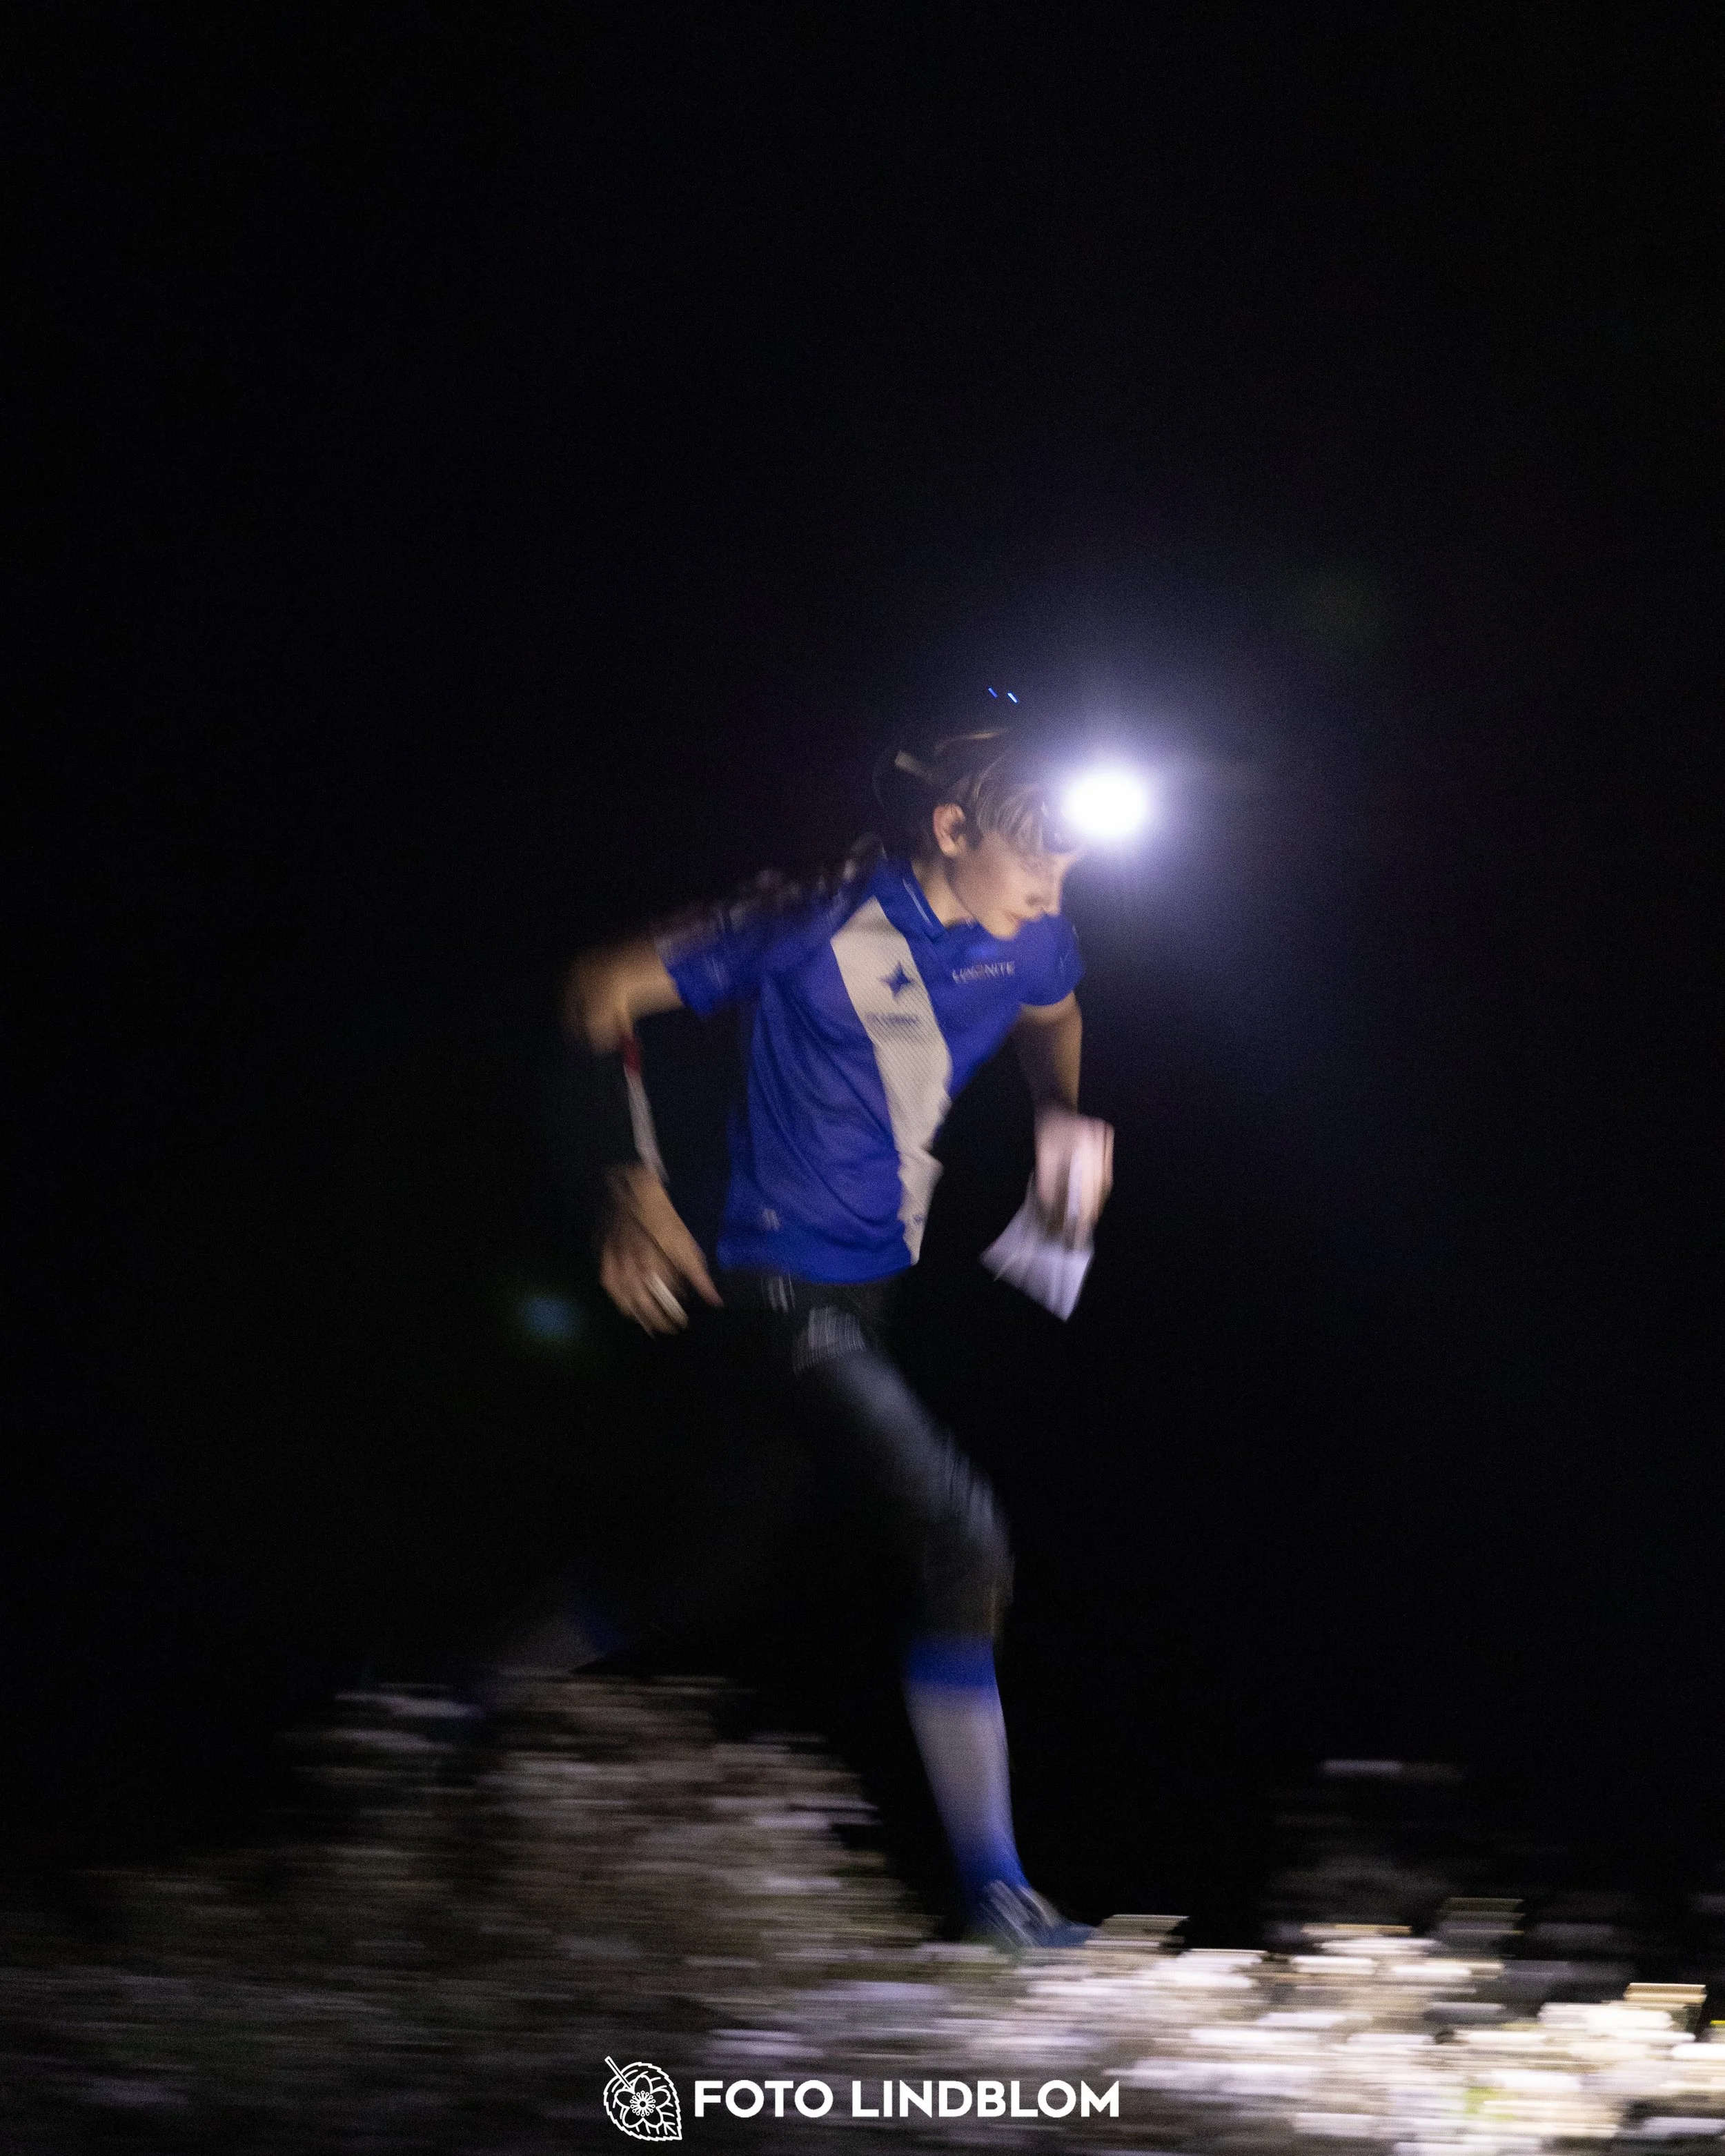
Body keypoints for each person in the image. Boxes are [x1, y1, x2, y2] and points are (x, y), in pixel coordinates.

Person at [557, 729, 1114, 1948]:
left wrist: (1066, 1119)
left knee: (688, 1582)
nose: (1054, 905)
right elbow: (599, 989)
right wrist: (626, 1179)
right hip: (768, 1282)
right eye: (1038, 872)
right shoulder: (814, 916)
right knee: (962, 1539)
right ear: (954, 833)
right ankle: (997, 1900)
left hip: (871, 1291)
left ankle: (442, 1710)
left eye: (1069, 880)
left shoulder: (1035, 932)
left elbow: (1054, 1010)